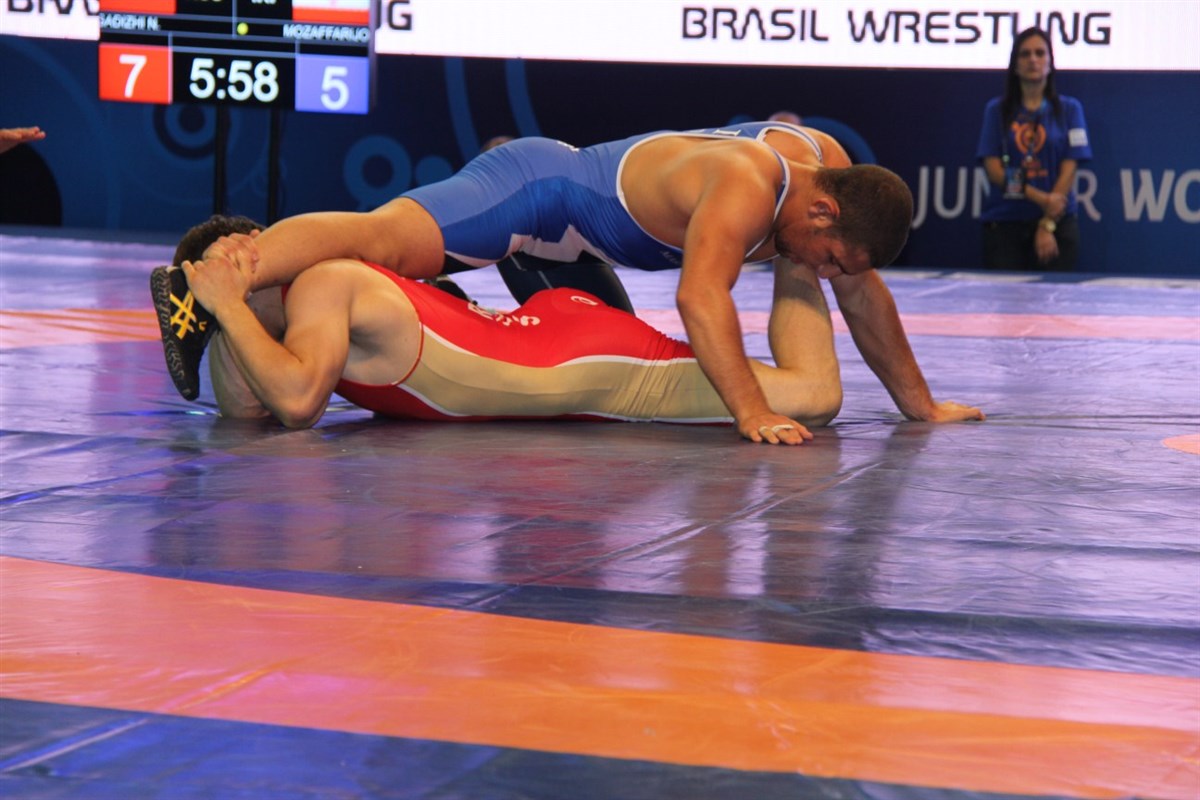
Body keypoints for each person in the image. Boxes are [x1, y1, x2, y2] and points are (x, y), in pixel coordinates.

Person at [155, 121, 982, 443]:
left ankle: (237, 288)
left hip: (574, 256)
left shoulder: (825, 169)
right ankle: (220, 276)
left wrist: (920, 404)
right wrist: (751, 412)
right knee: (383, 242)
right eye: (830, 256)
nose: (827, 274)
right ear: (826, 210)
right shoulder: (748, 184)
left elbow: (862, 293)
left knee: (592, 379)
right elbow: (701, 299)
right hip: (540, 197)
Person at [176, 215, 836, 441]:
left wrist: (229, 304)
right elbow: (249, 409)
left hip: (586, 356)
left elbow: (295, 405)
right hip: (544, 328)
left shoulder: (326, 283)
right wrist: (228, 309)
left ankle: (794, 245)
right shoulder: (293, 320)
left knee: (814, 397)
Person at [976, 27, 1092, 271]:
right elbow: (994, 171)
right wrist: (1042, 199)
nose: (1033, 60)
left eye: (1040, 53)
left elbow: (1070, 169)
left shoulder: (1070, 110)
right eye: (1025, 54)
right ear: (1015, 64)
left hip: (1057, 224)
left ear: (1050, 62)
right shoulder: (996, 111)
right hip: (1006, 224)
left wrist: (1047, 223)